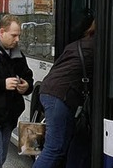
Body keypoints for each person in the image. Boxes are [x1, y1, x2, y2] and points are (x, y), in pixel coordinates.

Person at [33, 20, 95, 168]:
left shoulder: (81, 43)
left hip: (50, 90)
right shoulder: (99, 46)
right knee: (55, 148)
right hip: (59, 95)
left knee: (75, 140)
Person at [0, 14, 34, 168]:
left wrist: (26, 86)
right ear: (1, 32)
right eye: (14, 35)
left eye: (19, 36)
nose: (17, 40)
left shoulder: (17, 53)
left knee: (0, 159)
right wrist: (3, 84)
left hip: (8, 117)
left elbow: (28, 77)